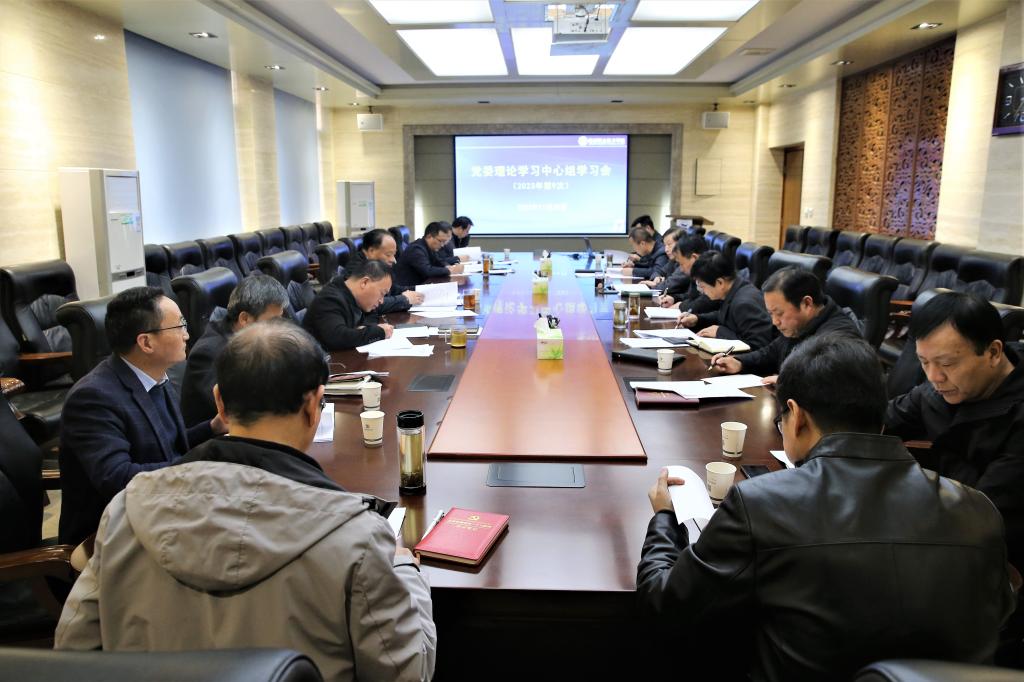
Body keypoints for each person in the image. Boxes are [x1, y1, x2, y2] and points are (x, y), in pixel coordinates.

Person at [55, 321, 437, 681]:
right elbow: (405, 672)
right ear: (314, 406)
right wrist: (405, 569)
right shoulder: (359, 538)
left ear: (219, 403)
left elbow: (73, 650)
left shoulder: (125, 511)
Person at [637, 334, 1015, 681]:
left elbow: (666, 603)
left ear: (796, 415)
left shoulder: (759, 504)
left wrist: (665, 517)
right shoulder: (977, 509)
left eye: (782, 421)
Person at [58, 287, 224, 546]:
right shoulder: (93, 398)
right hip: (110, 537)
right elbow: (117, 478)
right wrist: (201, 462)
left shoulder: (157, 375)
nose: (187, 334)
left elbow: (166, 446)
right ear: (146, 343)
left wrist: (213, 428)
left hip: (159, 511)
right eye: (179, 326)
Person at [886, 292, 1024, 571]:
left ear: (993, 352)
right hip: (944, 526)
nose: (934, 377)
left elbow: (984, 511)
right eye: (924, 362)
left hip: (997, 556)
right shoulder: (938, 391)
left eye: (947, 364)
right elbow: (878, 421)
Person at [709, 266, 860, 382]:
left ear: (807, 304)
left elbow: (827, 385)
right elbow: (771, 353)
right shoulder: (800, 325)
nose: (774, 322)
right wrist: (739, 362)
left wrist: (788, 385)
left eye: (779, 313)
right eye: (770, 314)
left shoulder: (839, 338)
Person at [180, 274, 288, 427]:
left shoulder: (254, 339)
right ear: (245, 319)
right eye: (272, 321)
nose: (278, 328)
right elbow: (239, 410)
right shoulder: (208, 353)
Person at [676, 251, 773, 350]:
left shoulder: (744, 303)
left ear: (720, 282)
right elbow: (726, 316)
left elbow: (758, 345)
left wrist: (720, 332)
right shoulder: (734, 289)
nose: (703, 292)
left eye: (703, 286)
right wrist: (698, 319)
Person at [303, 258, 395, 351]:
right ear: (364, 283)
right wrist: (379, 332)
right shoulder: (329, 300)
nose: (381, 301)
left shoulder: (355, 295)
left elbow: (372, 314)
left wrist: (365, 327)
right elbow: (337, 337)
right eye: (382, 293)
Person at [349, 228, 425, 317]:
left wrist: (422, 290)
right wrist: (405, 299)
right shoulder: (357, 269)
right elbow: (372, 303)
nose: (394, 260)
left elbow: (393, 290)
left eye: (394, 254)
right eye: (388, 255)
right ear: (371, 251)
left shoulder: (378, 266)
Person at [659, 234, 718, 313]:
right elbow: (691, 296)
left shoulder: (712, 273)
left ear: (694, 258)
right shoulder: (696, 273)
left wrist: (681, 305)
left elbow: (707, 302)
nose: (681, 269)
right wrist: (674, 298)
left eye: (682, 264)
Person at [392, 221, 464, 286]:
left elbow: (438, 261)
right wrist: (450, 271)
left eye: (444, 242)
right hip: (409, 289)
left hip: (422, 284)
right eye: (440, 241)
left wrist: (448, 266)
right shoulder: (416, 249)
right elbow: (427, 270)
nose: (442, 245)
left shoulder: (429, 247)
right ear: (429, 236)